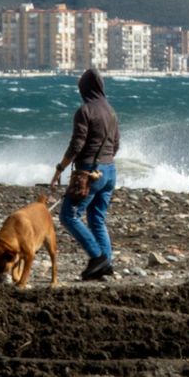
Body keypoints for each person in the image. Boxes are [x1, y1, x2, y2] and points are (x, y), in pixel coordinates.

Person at [50, 68, 120, 280]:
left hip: (90, 173)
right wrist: (104, 162)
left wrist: (60, 168)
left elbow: (77, 145)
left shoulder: (85, 111)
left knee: (68, 215)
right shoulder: (111, 111)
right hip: (110, 171)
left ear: (85, 88)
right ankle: (105, 264)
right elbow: (116, 144)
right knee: (96, 218)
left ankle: (97, 257)